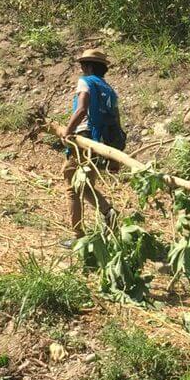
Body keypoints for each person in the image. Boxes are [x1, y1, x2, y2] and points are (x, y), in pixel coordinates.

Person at [61, 47, 123, 244]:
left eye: (82, 65)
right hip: (100, 142)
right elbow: (116, 123)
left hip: (84, 138)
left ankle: (78, 235)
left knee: (73, 186)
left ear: (87, 66)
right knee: (84, 184)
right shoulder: (109, 91)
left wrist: (67, 131)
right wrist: (114, 155)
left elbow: (81, 109)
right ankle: (108, 212)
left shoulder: (85, 82)